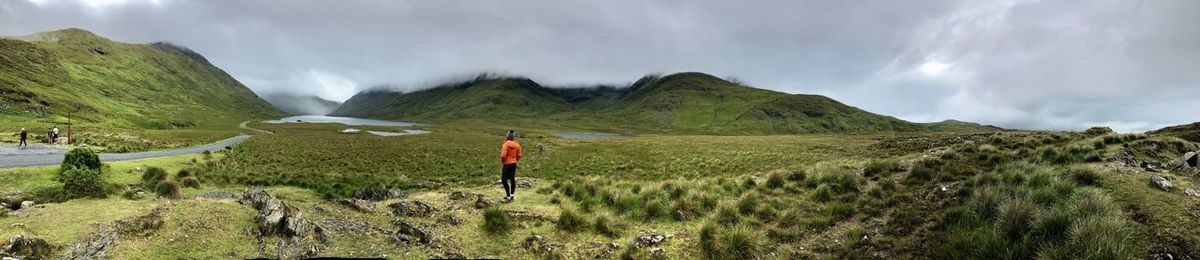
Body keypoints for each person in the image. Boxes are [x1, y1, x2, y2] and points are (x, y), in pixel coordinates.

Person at [499, 130, 523, 203]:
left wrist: (503, 161)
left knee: (504, 180)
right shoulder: (517, 144)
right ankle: (512, 195)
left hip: (507, 164)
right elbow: (519, 155)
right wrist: (515, 160)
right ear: (513, 137)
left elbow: (503, 155)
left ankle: (508, 196)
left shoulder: (505, 144)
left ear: (507, 136)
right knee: (512, 179)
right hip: (514, 163)